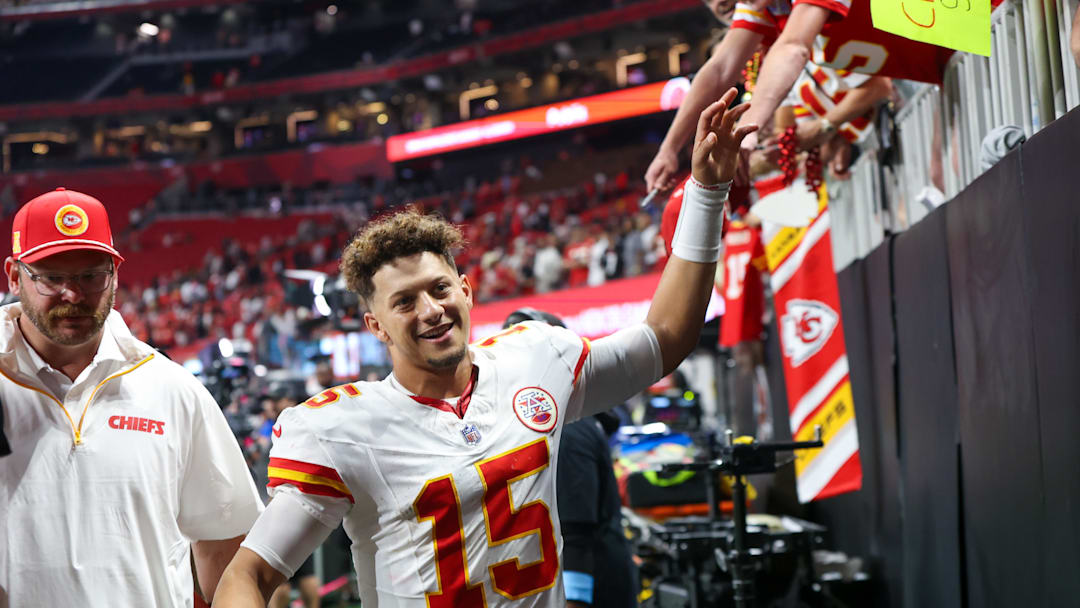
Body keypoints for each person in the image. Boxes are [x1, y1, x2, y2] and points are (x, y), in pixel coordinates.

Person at [213, 88, 756, 607]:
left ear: (466, 291)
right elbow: (249, 574)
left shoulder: (536, 357)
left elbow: (666, 338)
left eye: (440, 289)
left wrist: (707, 192)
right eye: (403, 302)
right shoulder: (341, 429)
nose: (430, 310)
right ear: (375, 326)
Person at [0, 188, 263, 605]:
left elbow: (225, 542)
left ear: (115, 275)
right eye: (51, 278)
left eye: (91, 276)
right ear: (14, 276)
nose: (73, 294)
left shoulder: (173, 389)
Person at [645, 0, 893, 194]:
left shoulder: (785, 40)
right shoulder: (765, 9)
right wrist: (668, 150)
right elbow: (719, 69)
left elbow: (793, 48)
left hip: (913, 83)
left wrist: (746, 134)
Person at [502, 308, 638, 608]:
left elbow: (576, 530)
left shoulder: (569, 429)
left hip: (593, 591)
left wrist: (575, 600)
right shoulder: (551, 422)